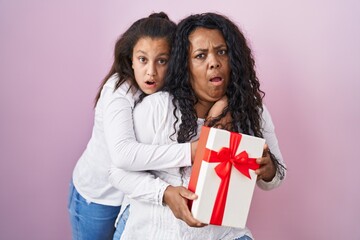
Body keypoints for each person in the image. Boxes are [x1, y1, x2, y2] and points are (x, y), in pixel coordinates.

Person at [109, 12, 286, 240]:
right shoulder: (158, 108)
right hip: (157, 232)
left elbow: (277, 178)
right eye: (201, 56)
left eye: (222, 52)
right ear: (185, 66)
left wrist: (269, 169)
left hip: (223, 235)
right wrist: (165, 193)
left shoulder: (252, 110)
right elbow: (117, 173)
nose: (214, 62)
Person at [67, 12, 198, 240]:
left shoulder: (168, 92)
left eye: (162, 60)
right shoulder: (119, 92)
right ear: (130, 59)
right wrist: (191, 152)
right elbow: (123, 155)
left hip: (135, 197)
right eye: (143, 59)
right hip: (100, 198)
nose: (151, 72)